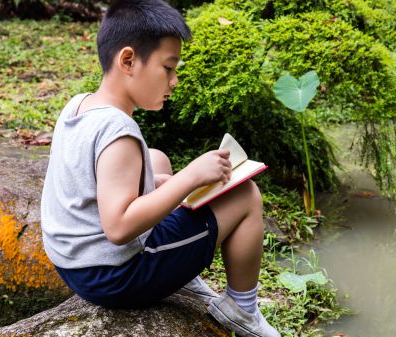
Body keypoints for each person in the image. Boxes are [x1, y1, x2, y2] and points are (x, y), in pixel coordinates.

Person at [40, 0, 280, 336]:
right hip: (115, 276)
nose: (175, 80)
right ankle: (242, 309)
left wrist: (162, 180)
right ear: (128, 60)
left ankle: (184, 276)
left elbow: (98, 182)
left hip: (72, 262)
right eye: (168, 68)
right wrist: (187, 179)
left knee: (155, 159)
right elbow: (119, 227)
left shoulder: (79, 104)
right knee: (245, 194)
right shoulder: (118, 132)